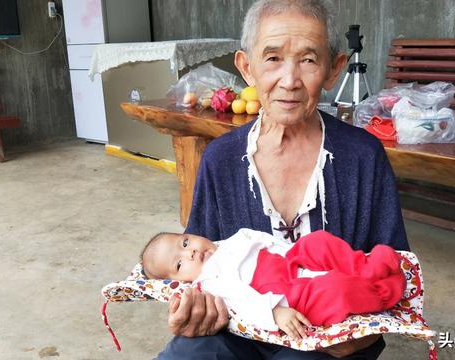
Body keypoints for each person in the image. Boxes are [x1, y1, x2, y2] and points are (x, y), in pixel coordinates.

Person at [158, 0, 409, 359]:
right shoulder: (221, 159)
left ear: (333, 69)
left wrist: (363, 329)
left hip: (333, 330)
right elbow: (200, 266)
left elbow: (396, 268)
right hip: (240, 324)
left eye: (308, 60)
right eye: (272, 58)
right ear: (247, 67)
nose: (289, 81)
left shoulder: (363, 156)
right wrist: (195, 308)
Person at [141, 228, 406, 339]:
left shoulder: (235, 238)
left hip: (290, 262)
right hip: (287, 297)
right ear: (179, 280)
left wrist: (296, 254)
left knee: (318, 241)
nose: (191, 253)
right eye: (180, 264)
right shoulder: (210, 282)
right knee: (334, 289)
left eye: (185, 243)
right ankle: (380, 293)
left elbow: (268, 241)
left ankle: (368, 268)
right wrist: (275, 312)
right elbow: (240, 302)